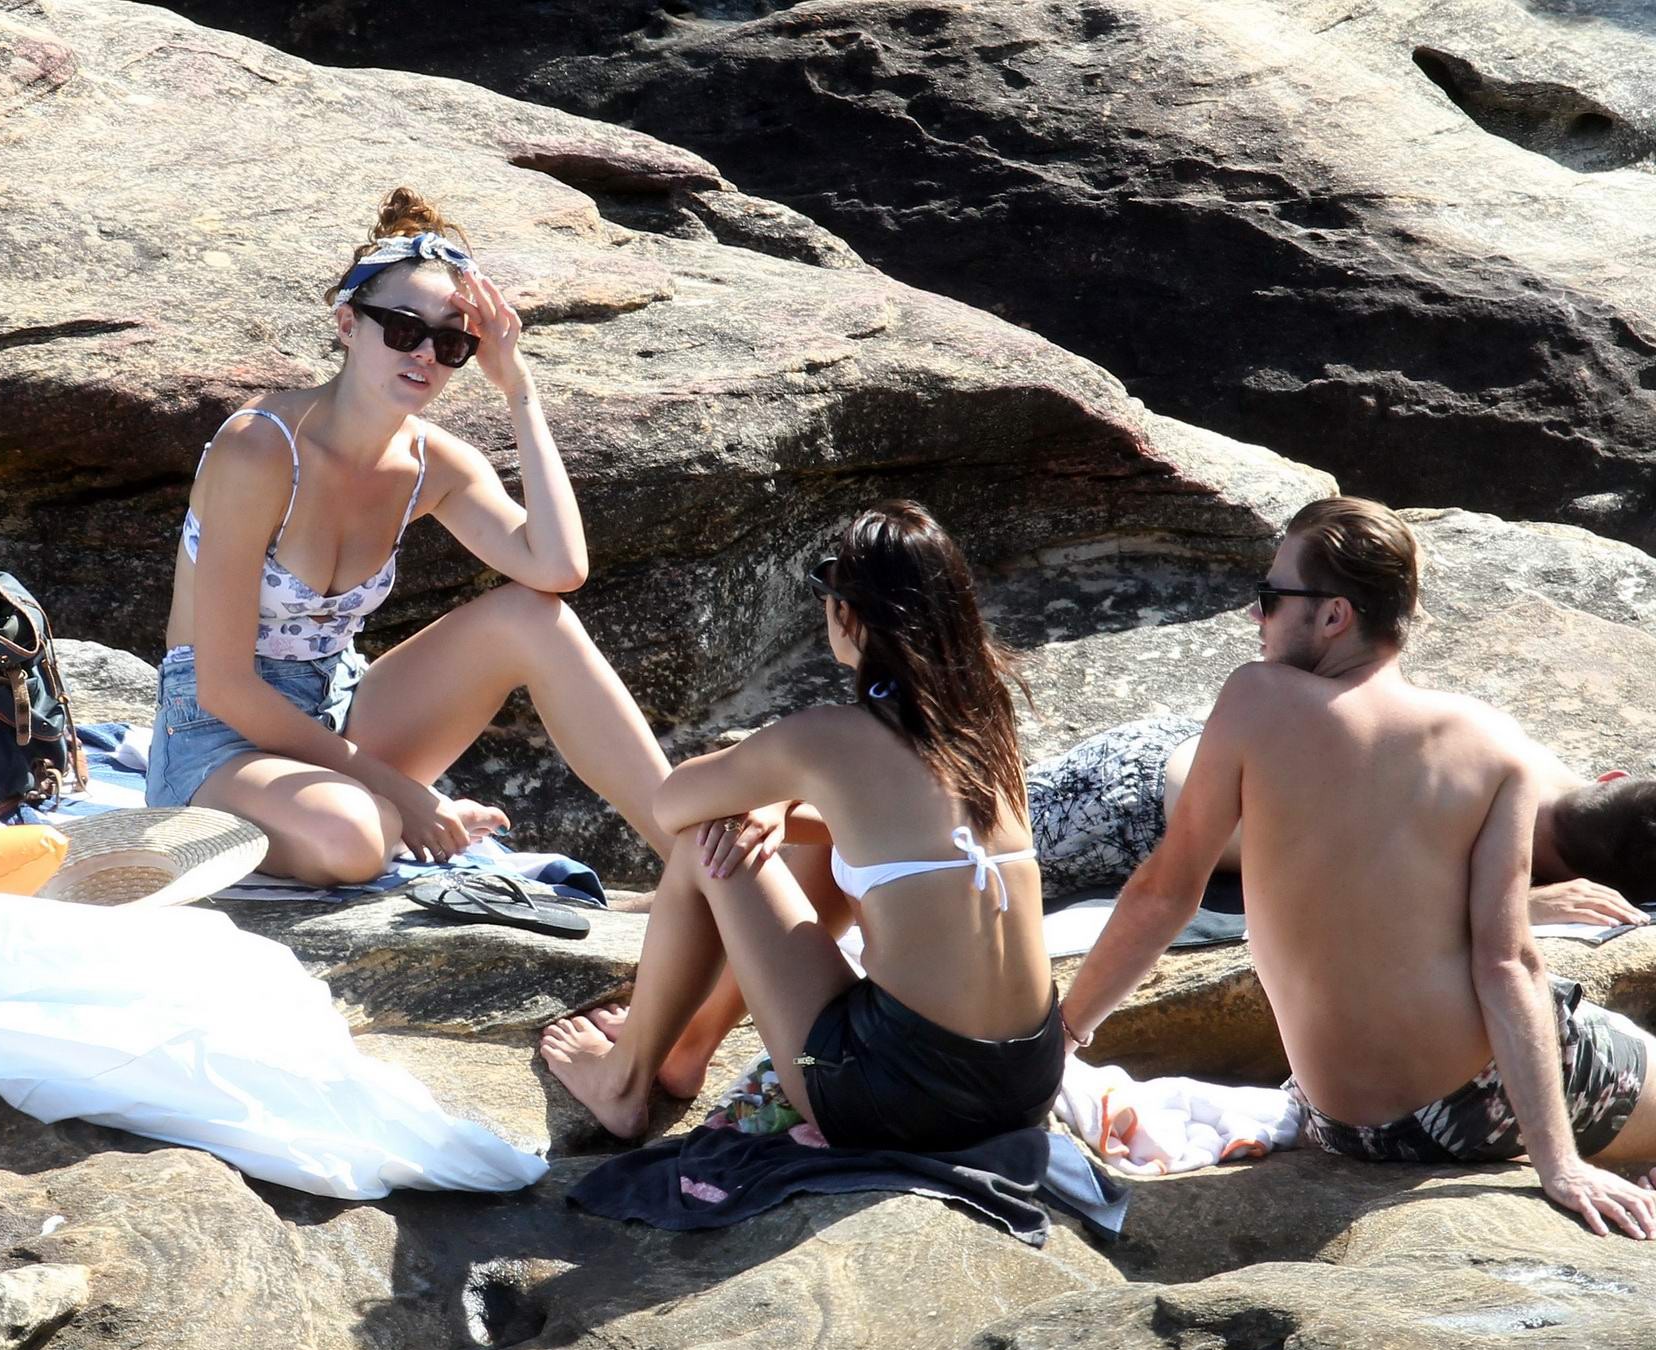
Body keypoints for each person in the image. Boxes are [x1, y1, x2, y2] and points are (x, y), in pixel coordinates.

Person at [1061, 496, 1656, 1237]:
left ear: (1335, 614)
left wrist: (1061, 1038)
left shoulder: (1254, 701)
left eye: (1271, 598)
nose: (1258, 617)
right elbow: (1509, 966)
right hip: (1467, 1110)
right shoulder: (1492, 746)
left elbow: (1165, 891)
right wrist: (1558, 1165)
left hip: (1339, 1121)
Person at [147, 188, 671, 882]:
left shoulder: (435, 463)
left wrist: (519, 390)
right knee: (355, 839)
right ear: (347, 324)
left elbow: (559, 567)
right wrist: (406, 794)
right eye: (402, 328)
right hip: (219, 738)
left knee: (533, 618)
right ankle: (378, 817)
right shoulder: (261, 448)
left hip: (341, 715)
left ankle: (690, 848)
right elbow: (223, 688)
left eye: (451, 342)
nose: (426, 353)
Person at [540, 501, 1064, 1147]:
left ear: (848, 612)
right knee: (805, 840)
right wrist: (785, 806)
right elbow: (885, 834)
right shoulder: (987, 727)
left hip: (879, 1092)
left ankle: (622, 1080)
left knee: (712, 837)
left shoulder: (823, 741)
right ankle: (689, 1046)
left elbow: (673, 804)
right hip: (1028, 1085)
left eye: (827, 583)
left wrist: (771, 787)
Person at [1032, 715, 1653, 927]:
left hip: (1191, 751)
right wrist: (1518, 908)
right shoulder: (1453, 837)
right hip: (1127, 808)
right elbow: (1355, 906)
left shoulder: (1520, 753)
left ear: (1609, 780)